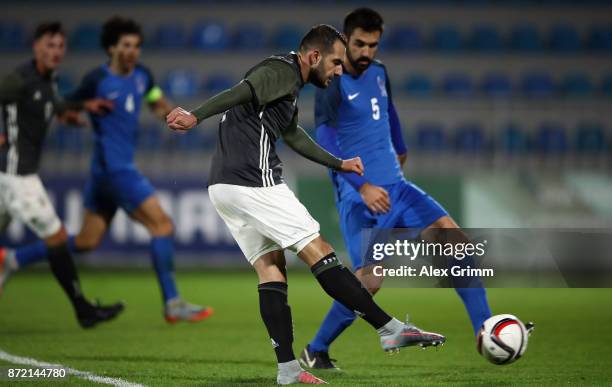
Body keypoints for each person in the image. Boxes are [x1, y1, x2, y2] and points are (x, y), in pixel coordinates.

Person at [166, 24, 445, 385]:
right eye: (335, 63)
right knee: (320, 250)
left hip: (224, 185)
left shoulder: (287, 85)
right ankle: (389, 328)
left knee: (271, 268)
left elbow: (294, 135)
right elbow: (240, 91)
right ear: (314, 57)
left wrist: (339, 163)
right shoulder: (280, 70)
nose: (339, 71)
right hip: (254, 180)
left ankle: (287, 371)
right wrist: (195, 115)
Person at [298, 8, 492, 370]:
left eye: (373, 45)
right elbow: (324, 137)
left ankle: (486, 330)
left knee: (456, 241)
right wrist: (363, 184)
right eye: (359, 44)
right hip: (360, 198)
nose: (366, 53)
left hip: (399, 189)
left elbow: (390, 111)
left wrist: (401, 149)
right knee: (369, 282)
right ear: (345, 39)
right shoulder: (332, 81)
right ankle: (316, 348)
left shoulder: (381, 72)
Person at [1, 17, 212, 324]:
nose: (132, 52)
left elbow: (154, 99)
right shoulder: (95, 79)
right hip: (117, 170)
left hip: (102, 176)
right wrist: (77, 111)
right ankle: (173, 302)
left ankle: (13, 258)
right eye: (126, 45)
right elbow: (62, 106)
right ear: (111, 48)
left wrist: (171, 115)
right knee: (162, 226)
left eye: (136, 46)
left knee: (86, 241)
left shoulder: (142, 76)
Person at [0, 21, 123, 328]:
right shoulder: (19, 80)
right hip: (17, 177)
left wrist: (74, 111)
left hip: (10, 178)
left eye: (60, 46)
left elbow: (52, 104)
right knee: (56, 238)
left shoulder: (48, 80)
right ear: (35, 47)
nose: (55, 52)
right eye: (49, 45)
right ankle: (82, 309)